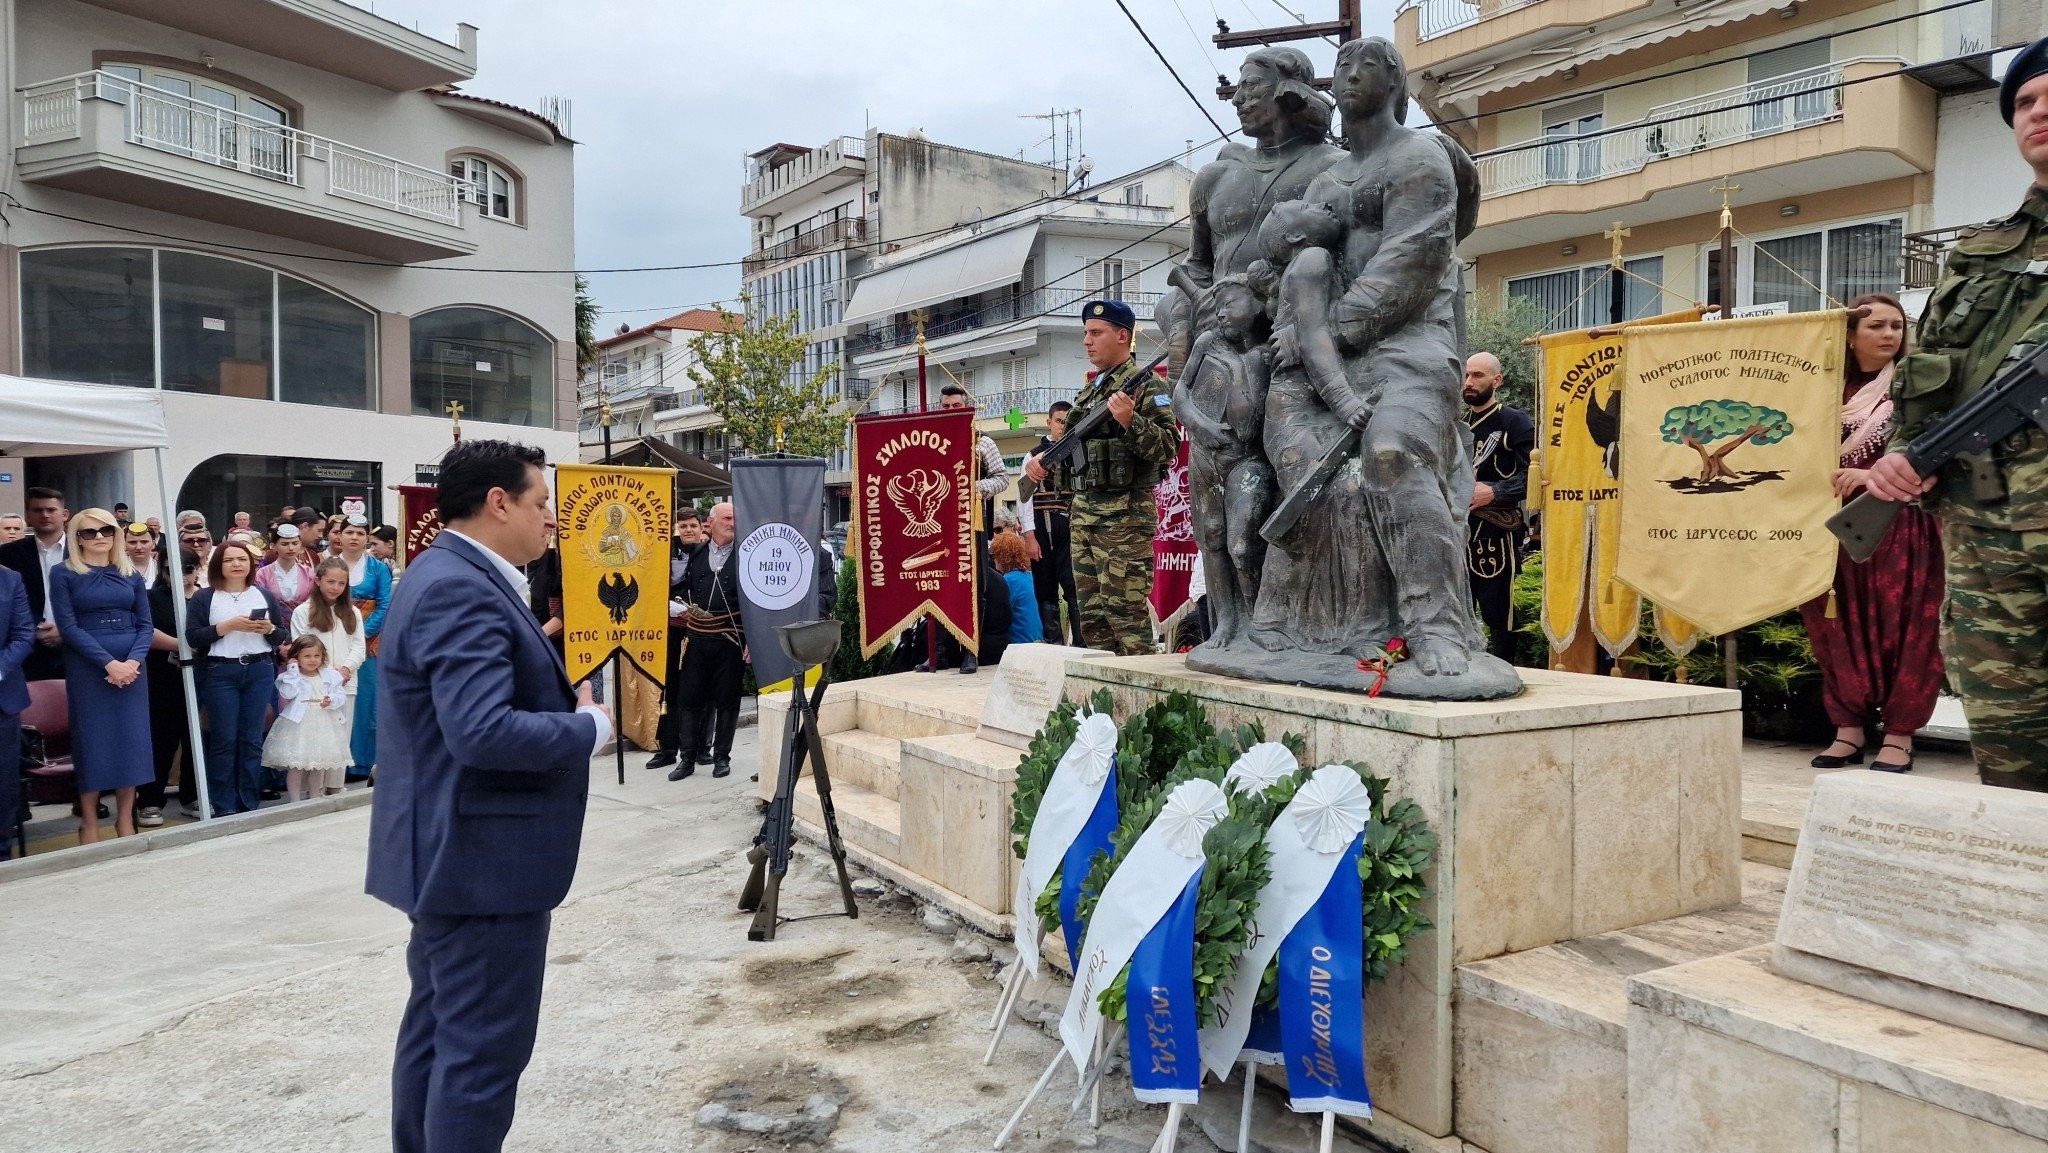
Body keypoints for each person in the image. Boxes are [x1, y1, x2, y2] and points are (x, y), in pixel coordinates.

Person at [366, 438, 612, 1153]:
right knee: (479, 1056)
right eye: (541, 504)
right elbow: (482, 731)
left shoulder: (449, 571)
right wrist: (586, 727)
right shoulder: (458, 584)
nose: (551, 521)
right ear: (499, 502)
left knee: (439, 1033)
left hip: (452, 855)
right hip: (480, 864)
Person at [1864, 43, 2048, 792]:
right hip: (1987, 546)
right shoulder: (1980, 256)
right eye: (2027, 103)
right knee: (2011, 760)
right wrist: (1904, 451)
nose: (2041, 113)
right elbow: (1929, 374)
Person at [1799, 296, 1945, 773]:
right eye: (1876, 326)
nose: (1889, 334)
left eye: (1897, 326)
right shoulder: (1818, 388)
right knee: (1833, 624)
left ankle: (1899, 734)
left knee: (1905, 627)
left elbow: (1933, 448)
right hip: (1827, 528)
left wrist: (1871, 475)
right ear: (1848, 335)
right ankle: (1848, 730)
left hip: (1898, 524)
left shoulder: (1915, 387)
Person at [1023, 301, 1177, 656]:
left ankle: (1144, 703)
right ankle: (1104, 703)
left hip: (1124, 519)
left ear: (1122, 336)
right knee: (1092, 622)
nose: (1086, 342)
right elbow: (1074, 453)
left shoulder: (1149, 386)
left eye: (1096, 333)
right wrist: (1042, 463)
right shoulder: (1090, 393)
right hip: (1084, 517)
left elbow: (1169, 445)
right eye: (1085, 334)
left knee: (1127, 619)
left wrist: (1130, 421)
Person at [48, 508, 154, 842]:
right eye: (89, 532)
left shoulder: (131, 574)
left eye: (106, 531)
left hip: (133, 668)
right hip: (88, 666)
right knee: (92, 741)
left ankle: (125, 820)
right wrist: (109, 664)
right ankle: (90, 820)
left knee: (131, 741)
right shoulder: (62, 573)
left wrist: (133, 663)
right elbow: (68, 626)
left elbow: (146, 625)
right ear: (76, 537)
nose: (99, 538)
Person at [916, 383, 1009, 674]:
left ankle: (970, 651)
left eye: (956, 407)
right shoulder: (927, 442)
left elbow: (1002, 479)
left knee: (975, 587)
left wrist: (970, 488)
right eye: (945, 407)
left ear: (967, 408)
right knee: (938, 583)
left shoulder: (983, 442)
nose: (951, 411)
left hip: (972, 524)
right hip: (936, 525)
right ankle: (939, 652)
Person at [187, 540, 284, 815]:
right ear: (219, 564)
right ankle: (223, 803)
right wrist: (226, 626)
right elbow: (193, 636)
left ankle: (248, 800)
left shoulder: (264, 595)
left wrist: (268, 628)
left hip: (259, 670)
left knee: (252, 738)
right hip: (220, 672)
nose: (236, 564)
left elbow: (281, 636)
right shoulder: (204, 597)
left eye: (241, 559)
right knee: (224, 738)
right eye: (229, 560)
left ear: (251, 564)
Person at [1463, 352, 1535, 664]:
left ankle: (1507, 670)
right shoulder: (1456, 424)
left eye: (1478, 375)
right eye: (1466, 375)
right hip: (1454, 532)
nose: (1469, 382)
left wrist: (1494, 491)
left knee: (1497, 612)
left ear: (1497, 380)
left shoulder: (1514, 422)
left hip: (1493, 532)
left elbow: (1536, 475)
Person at [666, 502, 743, 781]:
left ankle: (721, 757)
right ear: (711, 523)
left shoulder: (746, 554)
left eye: (735, 518)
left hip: (731, 638)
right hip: (697, 637)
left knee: (728, 700)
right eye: (727, 518)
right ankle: (686, 759)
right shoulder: (696, 552)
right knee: (689, 698)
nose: (733, 523)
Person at [293, 558, 367, 798]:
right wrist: (323, 673)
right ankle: (311, 789)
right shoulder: (303, 611)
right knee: (314, 735)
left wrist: (345, 670)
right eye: (330, 581)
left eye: (341, 583)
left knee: (340, 735)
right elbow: (300, 645)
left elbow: (358, 646)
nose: (335, 587)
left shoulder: (352, 611)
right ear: (318, 580)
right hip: (314, 684)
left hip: (345, 683)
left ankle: (335, 784)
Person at [128, 525, 184, 827]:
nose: (181, 574)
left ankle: (192, 795)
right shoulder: (151, 596)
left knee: (194, 738)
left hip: (196, 677)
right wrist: (182, 646)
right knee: (161, 740)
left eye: (188, 568)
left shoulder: (204, 596)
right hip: (159, 675)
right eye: (173, 568)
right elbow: (144, 630)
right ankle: (150, 801)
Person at [335, 515, 393, 780]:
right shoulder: (330, 565)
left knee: (367, 701)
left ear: (367, 537)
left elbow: (385, 604)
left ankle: (362, 762)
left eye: (360, 532)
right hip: (334, 639)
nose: (354, 537)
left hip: (369, 643)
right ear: (340, 536)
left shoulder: (378, 568)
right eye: (349, 532)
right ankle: (334, 761)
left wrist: (360, 634)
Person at [648, 507, 706, 772]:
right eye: (683, 526)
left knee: (698, 691)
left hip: (700, 628)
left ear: (701, 526)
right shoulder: (666, 549)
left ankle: (701, 748)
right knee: (669, 688)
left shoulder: (709, 551)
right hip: (670, 627)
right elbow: (653, 581)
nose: (688, 531)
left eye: (692, 525)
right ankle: (667, 749)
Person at [1023, 401, 1084, 646]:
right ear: (1049, 422)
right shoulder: (1034, 453)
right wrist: (1029, 535)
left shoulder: (1080, 449)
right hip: (1043, 528)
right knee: (1045, 586)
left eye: (1068, 421)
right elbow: (1024, 497)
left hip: (1073, 529)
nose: (1063, 426)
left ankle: (1080, 642)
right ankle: (1053, 640)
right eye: (1059, 421)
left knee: (1075, 585)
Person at [265, 635, 352, 803]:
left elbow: (340, 695)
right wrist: (292, 670)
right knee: (296, 765)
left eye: (316, 656)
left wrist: (331, 700)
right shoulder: (290, 677)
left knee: (317, 764)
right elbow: (288, 694)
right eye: (307, 656)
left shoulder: (330, 675)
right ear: (296, 657)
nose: (312, 660)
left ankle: (314, 797)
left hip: (323, 721)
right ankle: (295, 800)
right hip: (300, 723)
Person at [0, 487, 69, 680]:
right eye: (38, 510)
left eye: (51, 510)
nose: (45, 515)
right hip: (25, 649)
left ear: (64, 514)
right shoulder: (8, 554)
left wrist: (64, 629)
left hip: (75, 645)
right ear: (28, 516)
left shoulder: (82, 552)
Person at [0, 562, 32, 857]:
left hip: (2, 698)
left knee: (3, 782)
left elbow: (23, 635)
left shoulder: (10, 579)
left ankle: (2, 852)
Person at [255, 523, 316, 620]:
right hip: (273, 622)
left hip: (304, 621)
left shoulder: (308, 573)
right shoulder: (262, 574)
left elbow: (313, 601)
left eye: (295, 543)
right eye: (284, 544)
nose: (291, 548)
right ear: (273, 546)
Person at [993, 529, 1042, 644]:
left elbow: (1000, 614)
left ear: (1002, 556)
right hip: (1037, 638)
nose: (994, 559)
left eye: (994, 555)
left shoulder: (1008, 580)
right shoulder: (1030, 576)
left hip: (1020, 642)